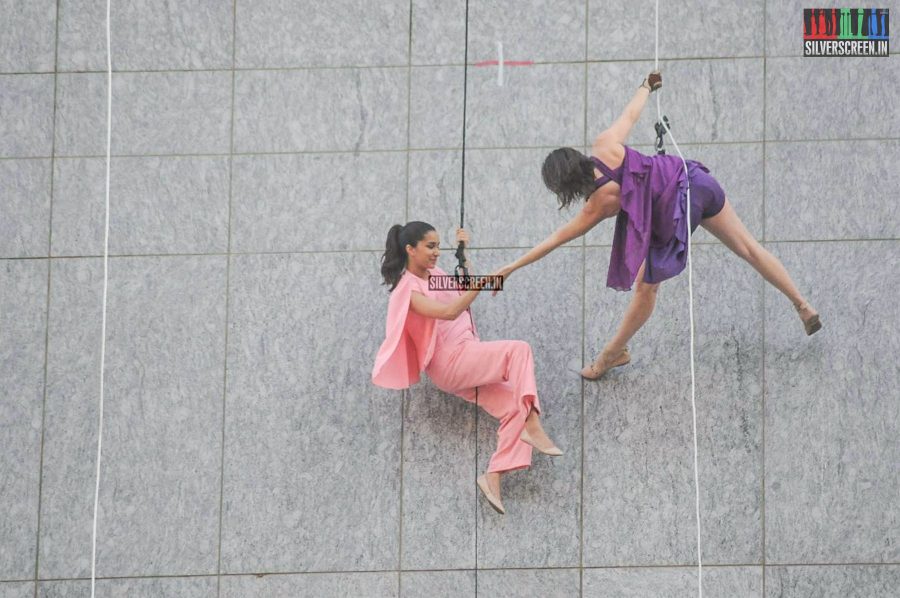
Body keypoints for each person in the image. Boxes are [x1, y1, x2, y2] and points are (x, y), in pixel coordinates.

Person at [493, 70, 822, 380]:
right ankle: (802, 304)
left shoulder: (597, 206)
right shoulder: (605, 145)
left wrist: (511, 267)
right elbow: (631, 115)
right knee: (749, 248)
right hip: (697, 182)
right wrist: (646, 85)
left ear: (565, 187)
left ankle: (611, 354)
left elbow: (554, 240)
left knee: (646, 287)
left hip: (676, 209)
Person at [371, 222, 562, 514]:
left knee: (514, 407)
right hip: (451, 360)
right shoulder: (407, 289)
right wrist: (482, 283)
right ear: (410, 249)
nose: (437, 252)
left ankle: (493, 476)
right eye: (430, 246)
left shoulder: (434, 276)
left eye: (438, 246)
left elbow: (465, 289)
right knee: (518, 350)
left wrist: (466, 255)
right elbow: (450, 311)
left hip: (466, 360)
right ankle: (534, 425)